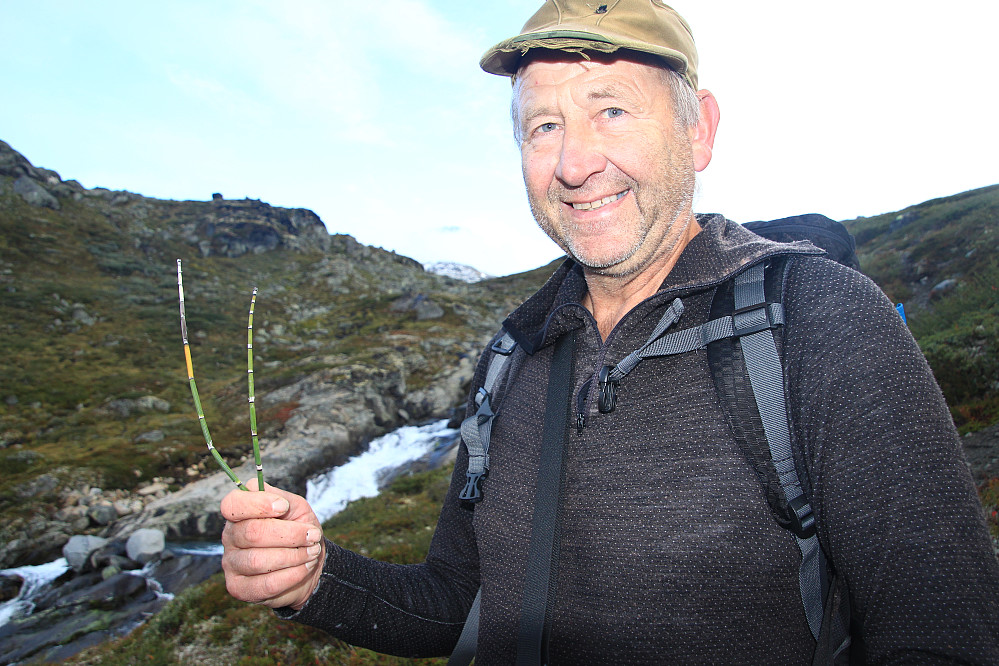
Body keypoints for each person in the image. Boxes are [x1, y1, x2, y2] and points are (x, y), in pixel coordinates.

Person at [220, 1, 999, 663]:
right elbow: (459, 603)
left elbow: (945, 635)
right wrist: (313, 579)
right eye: (543, 126)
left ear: (699, 131)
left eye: (611, 110)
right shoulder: (511, 356)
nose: (574, 161)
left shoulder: (818, 320)